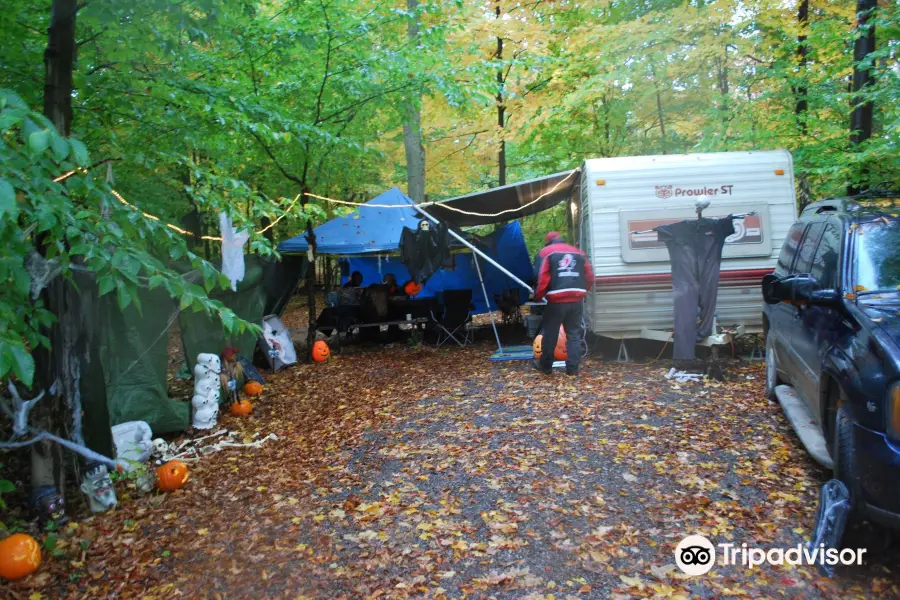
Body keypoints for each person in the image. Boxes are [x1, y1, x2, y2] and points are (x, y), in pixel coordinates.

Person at [533, 231, 594, 376]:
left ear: (548, 242)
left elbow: (542, 278)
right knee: (574, 334)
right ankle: (573, 369)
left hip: (556, 300)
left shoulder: (546, 252)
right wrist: (583, 291)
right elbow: (590, 275)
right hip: (576, 299)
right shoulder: (578, 252)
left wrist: (538, 296)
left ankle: (546, 367)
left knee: (550, 334)